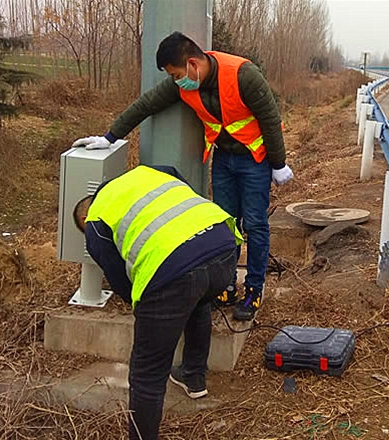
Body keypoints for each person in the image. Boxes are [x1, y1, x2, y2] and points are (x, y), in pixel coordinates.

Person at [73, 32, 293, 321]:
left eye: (177, 74)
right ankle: (226, 285)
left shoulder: (243, 75)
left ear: (192, 64)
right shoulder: (185, 84)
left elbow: (269, 118)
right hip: (224, 159)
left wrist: (278, 163)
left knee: (255, 223)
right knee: (225, 221)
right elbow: (147, 104)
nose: (177, 81)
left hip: (255, 159)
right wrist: (110, 137)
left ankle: (253, 289)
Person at [72, 165, 243, 440]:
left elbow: (121, 283)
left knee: (147, 376)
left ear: (84, 214)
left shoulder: (95, 220)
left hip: (173, 273)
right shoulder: (147, 172)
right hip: (223, 247)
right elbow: (177, 176)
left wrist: (150, 311)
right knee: (197, 302)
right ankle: (193, 376)